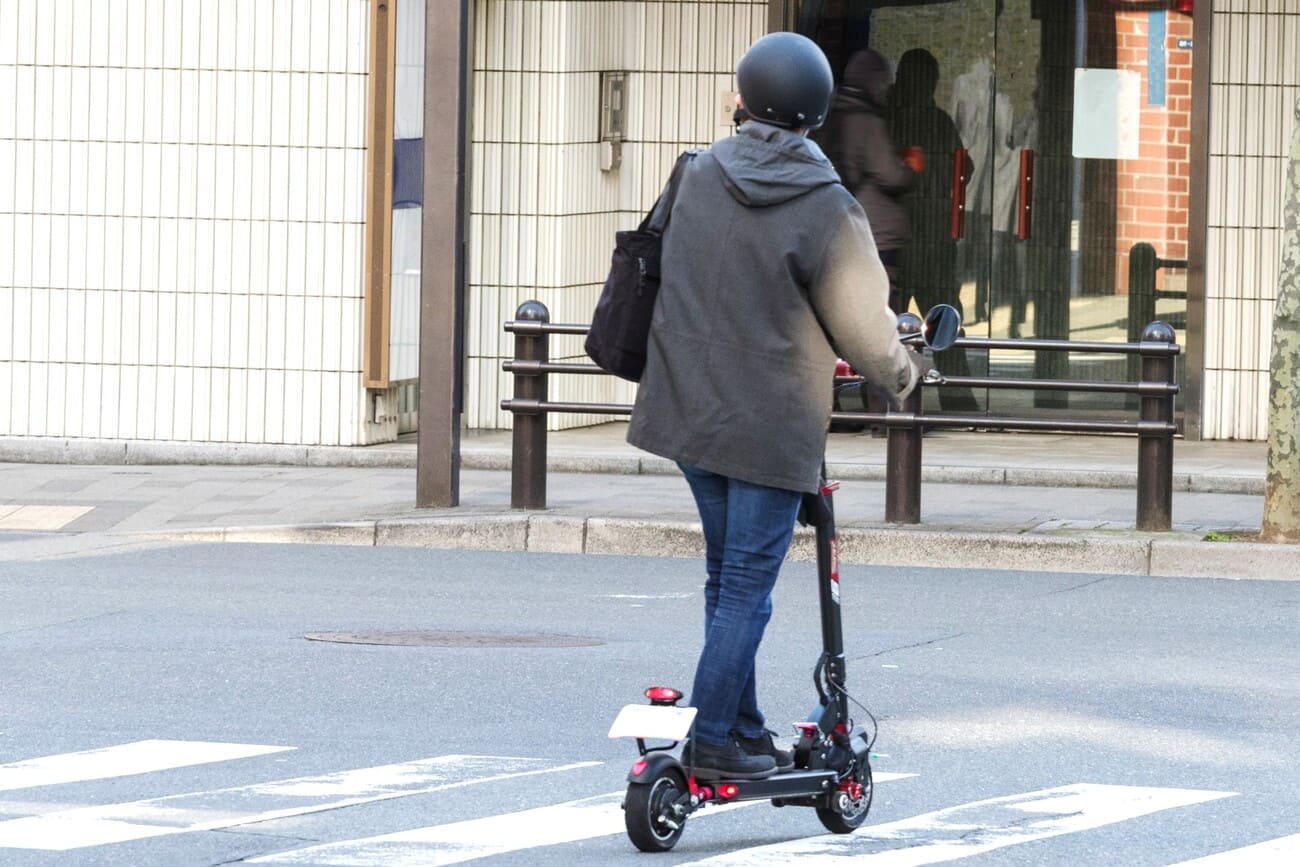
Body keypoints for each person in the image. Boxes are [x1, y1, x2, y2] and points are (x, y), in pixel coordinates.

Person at [626, 32, 922, 781]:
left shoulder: (696, 172)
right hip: (767, 424)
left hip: (690, 408)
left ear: (744, 99)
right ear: (814, 114)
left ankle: (745, 726)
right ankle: (717, 736)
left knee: (727, 581)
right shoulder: (827, 206)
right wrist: (908, 367)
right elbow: (866, 330)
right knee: (746, 589)